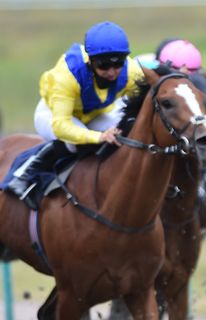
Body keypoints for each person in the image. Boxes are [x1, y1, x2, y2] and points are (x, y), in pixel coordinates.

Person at [6, 21, 144, 205]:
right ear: (90, 61)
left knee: (125, 136)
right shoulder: (67, 75)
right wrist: (99, 137)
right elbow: (62, 126)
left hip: (93, 113)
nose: (111, 72)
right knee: (75, 143)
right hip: (54, 114)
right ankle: (25, 172)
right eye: (103, 65)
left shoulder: (132, 71)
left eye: (118, 63)